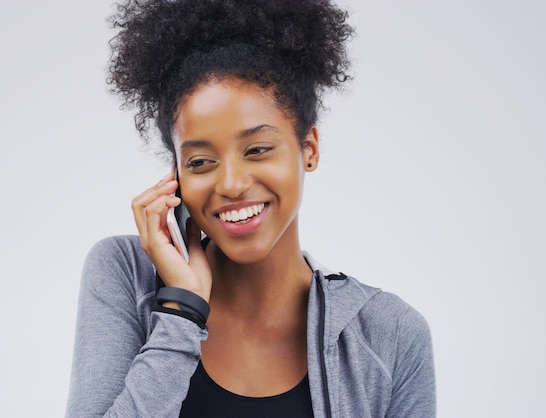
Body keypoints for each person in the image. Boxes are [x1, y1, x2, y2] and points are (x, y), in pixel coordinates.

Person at [65, 0, 436, 416]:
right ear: (175, 176)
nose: (231, 184)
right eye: (200, 162)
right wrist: (182, 311)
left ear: (308, 148)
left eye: (257, 149)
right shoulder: (127, 275)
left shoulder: (391, 335)